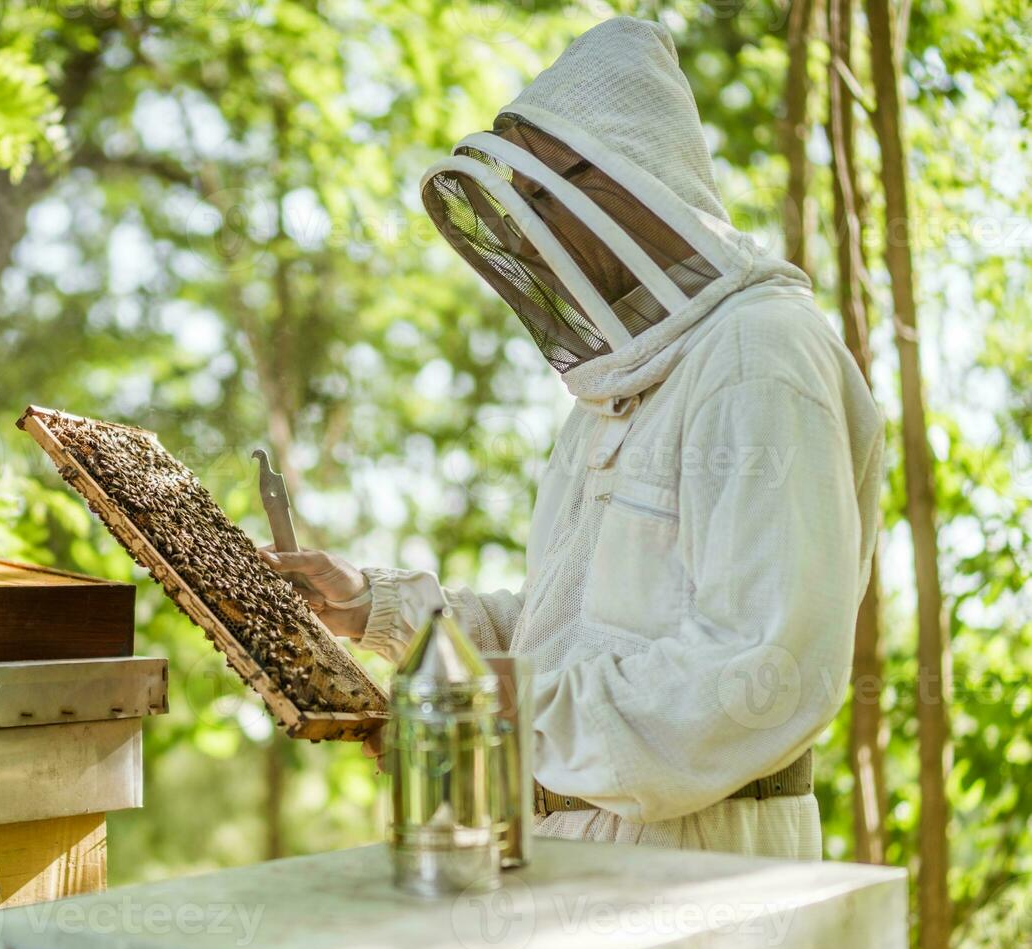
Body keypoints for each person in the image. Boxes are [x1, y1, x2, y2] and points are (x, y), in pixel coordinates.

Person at [262, 16, 883, 859]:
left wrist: (492, 708)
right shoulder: (615, 393)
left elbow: (755, 672)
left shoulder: (758, 356)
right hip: (571, 845)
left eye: (544, 199)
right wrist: (379, 608)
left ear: (626, 179)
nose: (528, 236)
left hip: (700, 866)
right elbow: (564, 633)